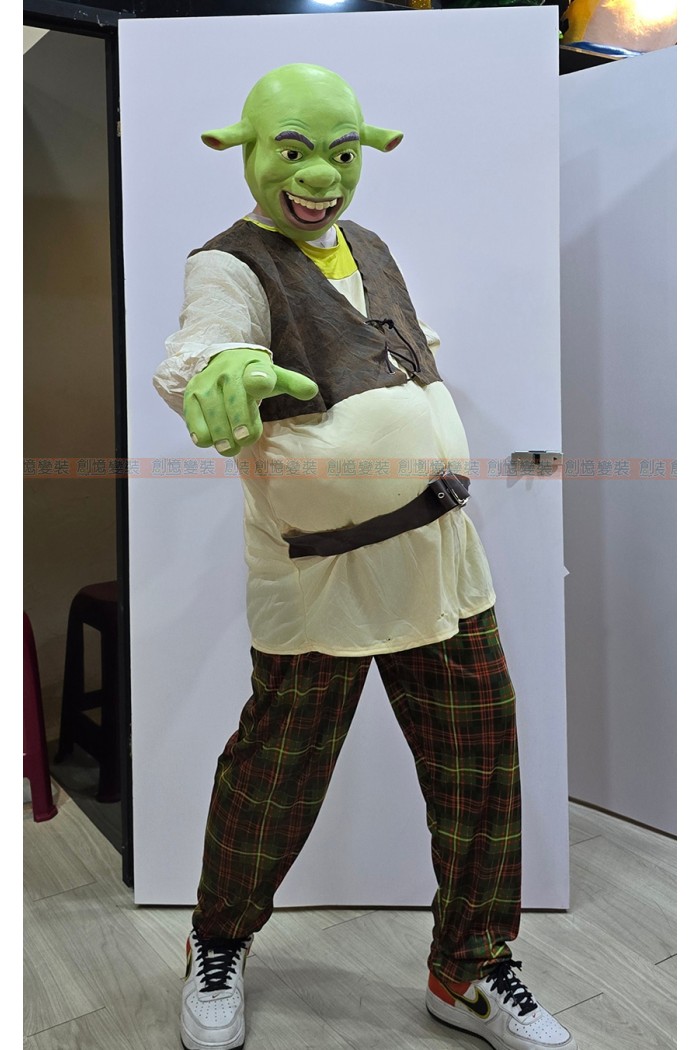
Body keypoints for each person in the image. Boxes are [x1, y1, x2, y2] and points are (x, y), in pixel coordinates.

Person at [154, 63, 577, 1050]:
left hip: (440, 557)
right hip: (318, 573)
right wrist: (224, 369)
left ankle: (469, 967)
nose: (321, 177)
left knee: (480, 769)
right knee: (275, 775)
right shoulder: (229, 265)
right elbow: (200, 349)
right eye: (294, 151)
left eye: (342, 154)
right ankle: (217, 941)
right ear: (247, 151)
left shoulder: (373, 245)